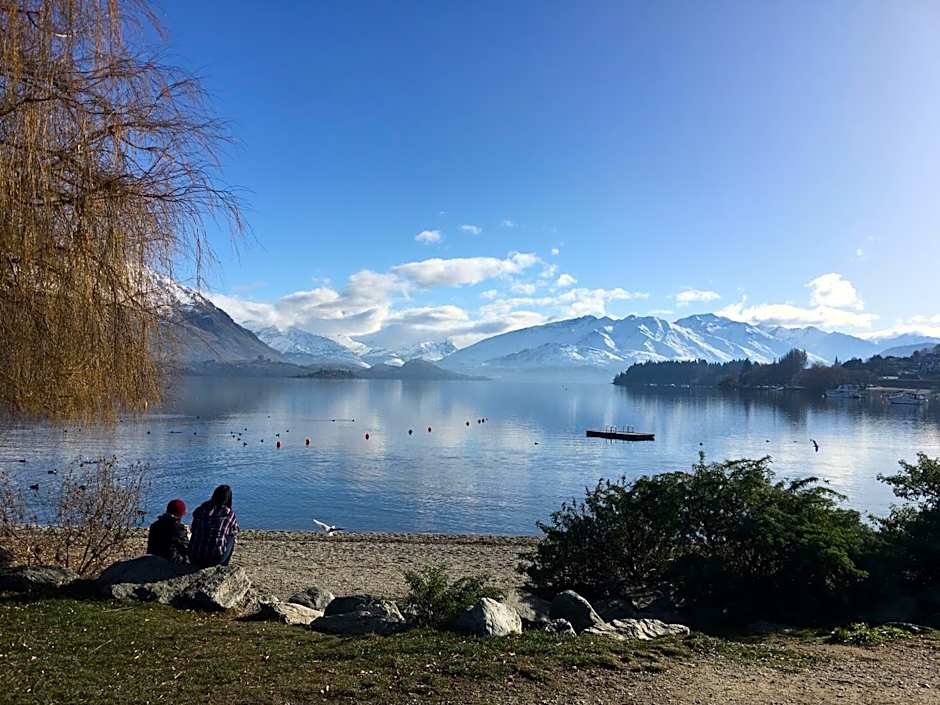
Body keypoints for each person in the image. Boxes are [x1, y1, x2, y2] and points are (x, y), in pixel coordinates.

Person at [189, 484, 240, 568]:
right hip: (214, 559)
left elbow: (193, 529)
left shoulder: (200, 510)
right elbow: (235, 530)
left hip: (193, 556)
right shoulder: (228, 514)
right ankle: (223, 566)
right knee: (232, 536)